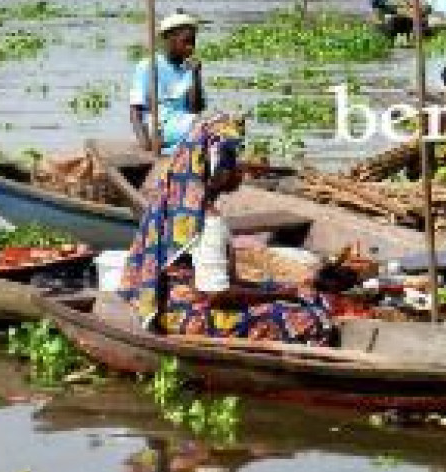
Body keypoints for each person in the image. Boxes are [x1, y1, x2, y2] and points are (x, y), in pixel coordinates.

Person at [118, 113, 339, 342]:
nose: (239, 170)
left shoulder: (173, 201)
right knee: (308, 317)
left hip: (169, 303)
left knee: (305, 295)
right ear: (218, 170)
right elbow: (216, 295)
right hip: (191, 315)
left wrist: (286, 288)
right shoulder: (207, 223)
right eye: (233, 161)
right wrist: (287, 293)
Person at [130, 11, 207, 153]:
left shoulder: (189, 69)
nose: (190, 47)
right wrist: (145, 145)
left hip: (187, 125)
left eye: (193, 42)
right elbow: (135, 111)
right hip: (161, 129)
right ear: (169, 39)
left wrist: (196, 76)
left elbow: (195, 109)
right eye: (186, 41)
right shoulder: (148, 66)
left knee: (227, 124)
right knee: (204, 127)